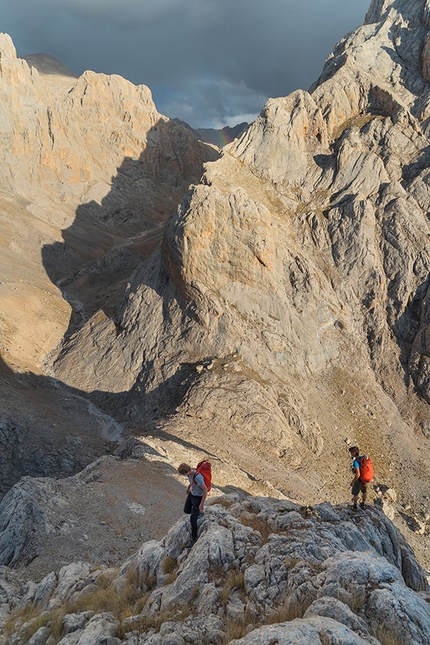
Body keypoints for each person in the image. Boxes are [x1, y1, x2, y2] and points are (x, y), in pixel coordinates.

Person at [178, 462, 208, 548]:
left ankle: (193, 538)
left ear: (187, 471)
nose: (184, 476)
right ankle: (198, 513)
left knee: (193, 520)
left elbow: (205, 490)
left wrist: (201, 504)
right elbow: (191, 482)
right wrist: (188, 489)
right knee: (186, 510)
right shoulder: (190, 473)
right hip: (192, 494)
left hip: (198, 498)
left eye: (184, 474)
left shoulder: (198, 477)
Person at [349, 446, 367, 510]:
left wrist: (353, 481)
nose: (350, 454)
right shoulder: (362, 459)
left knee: (355, 493)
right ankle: (363, 504)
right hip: (364, 477)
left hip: (359, 479)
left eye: (351, 453)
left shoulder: (356, 461)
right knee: (364, 491)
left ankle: (355, 506)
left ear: (354, 453)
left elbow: (358, 474)